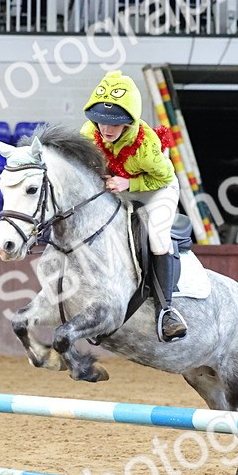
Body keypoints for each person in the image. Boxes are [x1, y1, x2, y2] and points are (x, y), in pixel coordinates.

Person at [81, 71, 187, 341]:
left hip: (157, 190)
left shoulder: (146, 147)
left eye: (114, 124)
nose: (106, 129)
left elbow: (163, 177)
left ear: (129, 122)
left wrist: (128, 184)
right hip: (118, 188)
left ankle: (167, 312)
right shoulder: (89, 134)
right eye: (102, 121)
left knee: (157, 239)